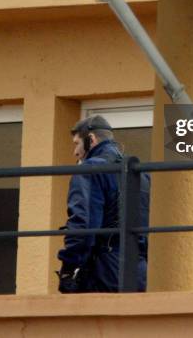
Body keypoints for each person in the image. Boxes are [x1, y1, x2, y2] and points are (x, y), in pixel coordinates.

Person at [57, 114, 149, 293]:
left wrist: (68, 268)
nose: (75, 153)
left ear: (90, 139)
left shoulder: (90, 169)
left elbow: (83, 225)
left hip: (103, 270)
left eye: (76, 144)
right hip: (139, 270)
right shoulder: (141, 174)